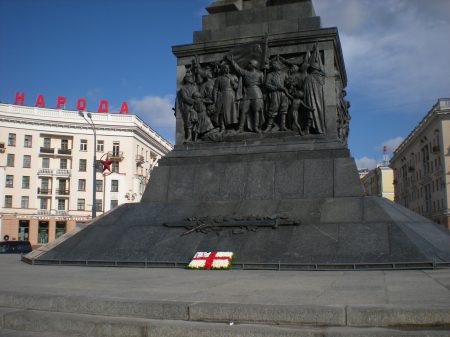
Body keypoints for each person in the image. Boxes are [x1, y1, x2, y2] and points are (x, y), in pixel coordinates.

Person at [227, 55, 264, 133]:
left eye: (249, 64)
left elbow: (263, 84)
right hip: (247, 94)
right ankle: (240, 128)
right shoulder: (246, 72)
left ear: (253, 65)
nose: (248, 65)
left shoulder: (261, 74)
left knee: (256, 111)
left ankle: (256, 128)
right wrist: (232, 61)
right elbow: (238, 69)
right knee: (244, 111)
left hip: (257, 94)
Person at [264, 58, 290, 132]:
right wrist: (276, 87)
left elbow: (288, 82)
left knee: (284, 109)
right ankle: (269, 126)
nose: (277, 65)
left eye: (278, 64)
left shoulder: (284, 73)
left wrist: (289, 83)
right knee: (273, 109)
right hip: (274, 93)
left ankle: (283, 125)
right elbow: (267, 85)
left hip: (283, 93)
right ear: (273, 66)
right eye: (275, 64)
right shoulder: (270, 75)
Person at [213, 63, 239, 131]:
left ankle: (233, 126)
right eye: (225, 68)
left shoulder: (233, 77)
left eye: (228, 68)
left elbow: (238, 88)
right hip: (223, 96)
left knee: (232, 111)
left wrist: (234, 84)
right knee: (222, 112)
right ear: (223, 69)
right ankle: (222, 126)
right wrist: (215, 100)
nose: (227, 69)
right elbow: (215, 89)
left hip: (232, 95)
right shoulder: (219, 78)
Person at [176, 73, 199, 142]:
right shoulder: (183, 88)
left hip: (197, 106)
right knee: (188, 122)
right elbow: (184, 97)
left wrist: (197, 101)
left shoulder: (195, 87)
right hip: (187, 107)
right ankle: (189, 136)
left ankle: (196, 137)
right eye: (191, 78)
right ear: (187, 79)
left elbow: (198, 95)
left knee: (196, 121)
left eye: (192, 77)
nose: (192, 79)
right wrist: (194, 101)